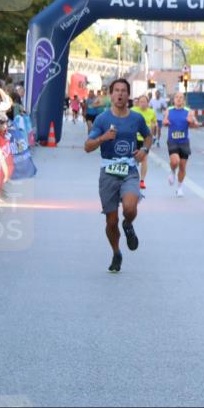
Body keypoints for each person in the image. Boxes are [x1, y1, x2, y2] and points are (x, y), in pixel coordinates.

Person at [84, 78, 151, 273]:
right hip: (108, 172)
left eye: (123, 91)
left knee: (130, 208)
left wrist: (144, 150)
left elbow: (148, 136)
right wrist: (103, 138)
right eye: (116, 90)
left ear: (128, 95)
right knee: (111, 221)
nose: (120, 94)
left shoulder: (136, 118)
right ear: (111, 95)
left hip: (129, 170)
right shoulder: (102, 119)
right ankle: (116, 252)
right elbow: (87, 146)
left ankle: (128, 224)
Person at [164, 92, 195, 197]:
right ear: (174, 100)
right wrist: (166, 122)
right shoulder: (169, 110)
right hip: (172, 140)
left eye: (181, 97)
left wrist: (191, 122)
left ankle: (180, 188)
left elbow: (195, 124)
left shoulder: (188, 111)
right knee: (175, 161)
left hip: (184, 142)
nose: (179, 99)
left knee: (182, 166)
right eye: (177, 97)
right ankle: (172, 171)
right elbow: (164, 121)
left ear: (184, 100)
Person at [131, 95, 158, 189]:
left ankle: (142, 181)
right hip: (134, 138)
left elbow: (154, 124)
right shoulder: (133, 110)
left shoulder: (151, 112)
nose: (143, 104)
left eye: (144, 102)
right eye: (141, 102)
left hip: (145, 139)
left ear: (148, 103)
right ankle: (132, 178)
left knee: (144, 159)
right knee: (133, 159)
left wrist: (153, 135)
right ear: (138, 103)